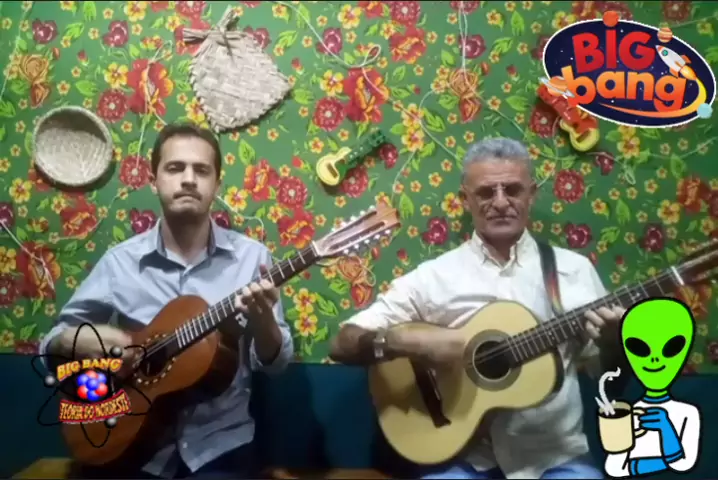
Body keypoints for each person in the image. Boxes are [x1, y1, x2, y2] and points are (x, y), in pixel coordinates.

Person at [329, 137, 629, 479]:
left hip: (556, 458)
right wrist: (404, 342)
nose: (500, 202)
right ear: (465, 199)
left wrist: (613, 344)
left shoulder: (574, 271)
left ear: (531, 194)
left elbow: (608, 377)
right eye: (486, 192)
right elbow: (342, 343)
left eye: (512, 190)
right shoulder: (433, 277)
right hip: (463, 458)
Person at [39, 123, 294, 479]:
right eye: (175, 168)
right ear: (154, 180)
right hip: (130, 445)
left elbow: (275, 364)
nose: (188, 180)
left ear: (217, 184)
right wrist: (75, 341)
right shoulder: (120, 263)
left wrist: (264, 322)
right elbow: (50, 345)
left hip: (220, 448)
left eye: (201, 170)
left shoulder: (253, 260)